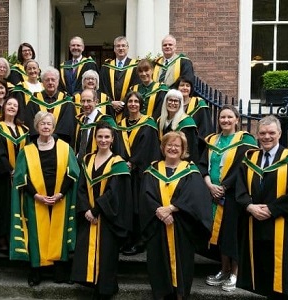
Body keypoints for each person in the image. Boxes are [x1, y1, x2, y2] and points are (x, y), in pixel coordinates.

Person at [235, 115, 288, 299]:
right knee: (264, 277)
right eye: (263, 133)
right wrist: (249, 207)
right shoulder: (250, 159)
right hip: (257, 228)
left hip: (285, 229)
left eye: (271, 133)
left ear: (280, 134)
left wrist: (273, 209)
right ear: (257, 135)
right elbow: (240, 188)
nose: (267, 137)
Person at [9, 111, 80, 287]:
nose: (46, 127)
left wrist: (61, 193)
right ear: (37, 126)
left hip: (59, 198)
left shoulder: (65, 147)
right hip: (35, 199)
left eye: (49, 124)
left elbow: (72, 174)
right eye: (42, 124)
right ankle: (36, 270)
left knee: (59, 232)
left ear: (53, 127)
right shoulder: (27, 151)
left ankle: (59, 270)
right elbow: (21, 177)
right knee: (35, 233)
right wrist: (36, 195)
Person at [140, 131, 213, 300]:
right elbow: (145, 195)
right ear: (163, 147)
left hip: (182, 227)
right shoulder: (152, 170)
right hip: (157, 227)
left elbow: (195, 197)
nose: (172, 148)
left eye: (177, 146)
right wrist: (160, 211)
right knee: (158, 266)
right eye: (169, 145)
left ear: (183, 149)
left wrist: (172, 208)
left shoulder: (190, 171)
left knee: (182, 268)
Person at [198, 105, 257, 292]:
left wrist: (224, 187)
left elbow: (243, 167)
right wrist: (209, 185)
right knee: (221, 234)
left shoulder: (244, 140)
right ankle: (224, 269)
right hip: (213, 193)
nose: (225, 120)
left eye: (229, 117)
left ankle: (235, 273)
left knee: (233, 233)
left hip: (233, 195)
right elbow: (202, 165)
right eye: (222, 117)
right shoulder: (212, 140)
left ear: (237, 120)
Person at [71, 121, 132, 300]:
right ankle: (93, 284)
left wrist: (96, 210)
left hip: (107, 218)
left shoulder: (117, 163)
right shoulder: (87, 159)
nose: (103, 140)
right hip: (89, 215)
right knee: (89, 253)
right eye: (100, 136)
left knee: (107, 255)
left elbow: (114, 193)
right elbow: (81, 187)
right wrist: (86, 211)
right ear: (95, 138)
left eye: (107, 137)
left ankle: (105, 290)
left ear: (113, 139)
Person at [116, 91, 161, 256]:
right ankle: (127, 237)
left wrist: (133, 162)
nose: (133, 104)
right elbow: (117, 146)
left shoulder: (148, 123)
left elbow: (148, 147)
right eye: (130, 101)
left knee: (138, 206)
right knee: (126, 206)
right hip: (124, 171)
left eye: (136, 101)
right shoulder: (120, 124)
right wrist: (122, 163)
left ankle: (140, 240)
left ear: (141, 104)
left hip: (140, 173)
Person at [0, 97, 30, 253]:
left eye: (15, 105)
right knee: (4, 206)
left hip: (21, 176)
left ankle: (16, 238)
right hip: (3, 176)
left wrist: (22, 170)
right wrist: (10, 170)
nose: (12, 107)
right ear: (3, 108)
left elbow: (29, 152)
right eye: (9, 104)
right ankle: (2, 238)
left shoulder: (23, 130)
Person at [23, 66, 76, 144]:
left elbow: (68, 126)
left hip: (60, 143)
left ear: (58, 82)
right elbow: (30, 123)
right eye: (47, 80)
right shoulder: (34, 101)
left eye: (53, 80)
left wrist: (53, 138)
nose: (50, 82)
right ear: (42, 82)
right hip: (38, 143)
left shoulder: (67, 102)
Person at [74, 88, 123, 162]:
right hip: (80, 165)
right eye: (83, 101)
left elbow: (116, 146)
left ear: (96, 102)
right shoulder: (80, 120)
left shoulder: (106, 121)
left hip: (99, 164)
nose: (85, 104)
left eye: (89, 101)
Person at [99, 36, 141, 121]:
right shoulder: (106, 67)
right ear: (114, 49)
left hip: (128, 109)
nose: (121, 48)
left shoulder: (135, 66)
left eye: (123, 46)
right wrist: (111, 102)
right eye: (118, 46)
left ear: (127, 48)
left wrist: (123, 103)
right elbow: (102, 88)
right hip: (109, 109)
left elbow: (136, 87)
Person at [158, 89, 200, 165]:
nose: (172, 103)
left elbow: (192, 149)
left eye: (176, 101)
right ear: (165, 102)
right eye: (170, 100)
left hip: (182, 165)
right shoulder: (160, 121)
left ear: (180, 104)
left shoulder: (187, 123)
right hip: (163, 164)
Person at [176, 76, 213, 154]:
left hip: (195, 147)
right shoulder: (173, 104)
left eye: (187, 85)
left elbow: (205, 127)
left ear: (191, 89)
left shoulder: (198, 104)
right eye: (182, 85)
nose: (185, 88)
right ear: (177, 88)